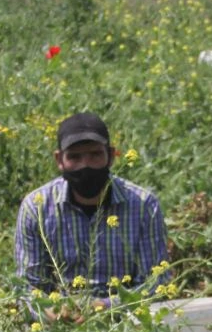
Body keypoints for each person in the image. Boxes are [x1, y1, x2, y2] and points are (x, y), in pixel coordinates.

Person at [13, 113, 170, 303]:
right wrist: (53, 311)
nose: (85, 165)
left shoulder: (144, 206)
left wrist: (104, 308)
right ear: (59, 160)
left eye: (95, 155)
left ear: (111, 156)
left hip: (126, 322)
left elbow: (153, 284)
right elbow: (28, 287)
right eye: (75, 157)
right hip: (61, 323)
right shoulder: (36, 208)